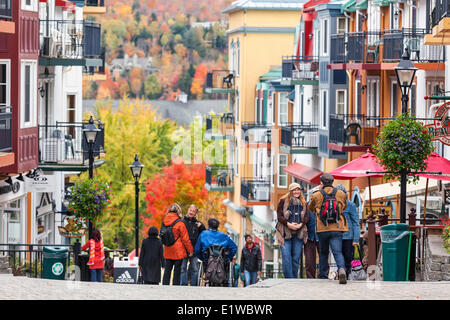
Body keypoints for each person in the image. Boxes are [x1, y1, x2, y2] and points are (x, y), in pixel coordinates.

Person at [307, 173, 348, 284]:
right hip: (337, 227)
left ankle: (323, 275)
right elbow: (344, 206)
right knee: (337, 252)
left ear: (321, 182)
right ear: (332, 182)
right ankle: (341, 269)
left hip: (322, 228)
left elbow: (310, 208)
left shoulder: (316, 195)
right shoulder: (340, 193)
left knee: (323, 253)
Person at [276, 182, 309, 279]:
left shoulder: (303, 202)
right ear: (290, 191)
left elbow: (306, 217)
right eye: (294, 190)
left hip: (298, 234)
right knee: (286, 258)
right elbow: (279, 216)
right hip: (285, 234)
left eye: (298, 189)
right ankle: (289, 279)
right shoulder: (283, 201)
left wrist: (300, 224)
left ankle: (294, 279)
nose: (297, 191)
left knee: (296, 258)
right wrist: (288, 224)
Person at [195, 218, 238, 286]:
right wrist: (228, 258)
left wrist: (203, 258)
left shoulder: (203, 234)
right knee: (226, 263)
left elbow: (197, 250)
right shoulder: (223, 236)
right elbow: (234, 247)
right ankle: (225, 280)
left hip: (207, 260)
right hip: (222, 261)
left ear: (208, 225)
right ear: (217, 226)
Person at [161, 203, 194, 286]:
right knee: (177, 270)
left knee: (167, 269)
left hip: (167, 248)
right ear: (178, 211)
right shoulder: (180, 223)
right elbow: (185, 239)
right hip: (178, 250)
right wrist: (190, 250)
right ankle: (175, 287)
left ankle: (165, 285)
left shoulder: (164, 221)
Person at [335, 184, 361, 278]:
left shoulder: (350, 205)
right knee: (338, 255)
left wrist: (356, 239)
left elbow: (355, 222)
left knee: (347, 256)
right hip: (336, 234)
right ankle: (342, 272)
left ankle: (347, 273)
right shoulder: (333, 204)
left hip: (348, 236)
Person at [180, 204, 206, 286]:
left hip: (194, 250)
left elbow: (204, 234)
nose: (191, 212)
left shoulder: (198, 223)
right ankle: (183, 285)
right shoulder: (182, 222)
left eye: (194, 211)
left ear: (195, 213)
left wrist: (201, 227)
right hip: (183, 249)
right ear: (188, 210)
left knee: (194, 269)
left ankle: (193, 285)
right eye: (190, 210)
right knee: (182, 268)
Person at [304, 203, 320, 279]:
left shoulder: (323, 204)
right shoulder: (306, 206)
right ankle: (310, 277)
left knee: (324, 257)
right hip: (309, 236)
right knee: (309, 259)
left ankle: (324, 276)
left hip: (321, 235)